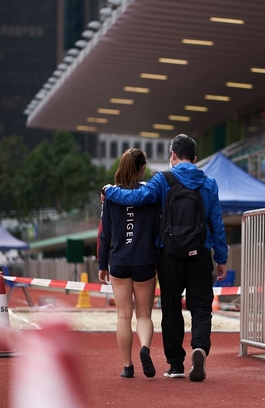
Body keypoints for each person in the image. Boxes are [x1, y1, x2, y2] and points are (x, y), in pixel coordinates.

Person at [103, 134, 228, 382]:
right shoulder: (209, 183)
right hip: (200, 254)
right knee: (201, 308)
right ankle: (200, 347)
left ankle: (176, 365)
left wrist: (108, 191)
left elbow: (136, 197)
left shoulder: (163, 179)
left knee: (171, 309)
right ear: (194, 159)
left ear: (172, 156)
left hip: (169, 255)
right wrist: (220, 257)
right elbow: (217, 223)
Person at [98, 148, 160, 379]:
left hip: (120, 260)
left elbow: (105, 234)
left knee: (123, 315)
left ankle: (127, 366)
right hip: (145, 259)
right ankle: (144, 347)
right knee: (144, 315)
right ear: (142, 168)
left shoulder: (110, 197)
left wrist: (102, 265)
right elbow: (157, 230)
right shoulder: (152, 196)